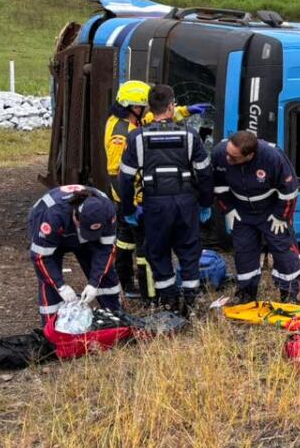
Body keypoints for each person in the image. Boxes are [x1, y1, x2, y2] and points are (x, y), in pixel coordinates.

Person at [105, 81, 211, 301]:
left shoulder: (137, 135)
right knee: (188, 252)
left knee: (158, 252)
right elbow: (205, 173)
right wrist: (205, 203)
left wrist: (129, 208)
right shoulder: (190, 136)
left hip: (153, 203)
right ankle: (189, 298)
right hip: (181, 202)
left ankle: (167, 300)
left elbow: (125, 178)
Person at [211, 130, 300, 303]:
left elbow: (290, 191)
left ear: (250, 155)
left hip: (271, 210)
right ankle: (246, 294)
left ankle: (290, 293)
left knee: (284, 251)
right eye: (227, 154)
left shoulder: (272, 157)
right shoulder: (220, 153)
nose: (228, 159)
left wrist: (281, 216)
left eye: (234, 157)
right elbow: (218, 187)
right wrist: (227, 209)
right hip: (241, 211)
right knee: (243, 252)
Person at [28, 185, 121, 325]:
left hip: (81, 229)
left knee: (105, 275)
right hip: (54, 235)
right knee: (49, 281)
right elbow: (41, 257)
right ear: (76, 217)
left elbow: (106, 249)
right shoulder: (52, 215)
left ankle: (115, 318)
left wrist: (94, 283)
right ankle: (52, 329)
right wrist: (61, 286)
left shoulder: (107, 211)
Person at [104, 80, 149, 299]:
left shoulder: (128, 122)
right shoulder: (121, 134)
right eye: (144, 106)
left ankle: (128, 284)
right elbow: (115, 173)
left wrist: (183, 111)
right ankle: (139, 286)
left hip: (130, 198)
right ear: (134, 107)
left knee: (125, 240)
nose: (146, 110)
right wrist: (130, 205)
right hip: (129, 199)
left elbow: (151, 119)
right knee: (140, 245)